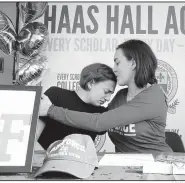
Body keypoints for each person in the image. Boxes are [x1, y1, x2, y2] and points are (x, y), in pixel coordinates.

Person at [39, 39, 173, 153]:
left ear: (133, 63)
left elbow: (99, 122)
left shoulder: (153, 98)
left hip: (157, 165)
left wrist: (51, 110)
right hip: (126, 168)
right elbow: (100, 117)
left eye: (117, 62)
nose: (114, 69)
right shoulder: (121, 96)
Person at [37, 63, 117, 150]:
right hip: (44, 162)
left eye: (111, 94)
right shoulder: (55, 95)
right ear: (91, 83)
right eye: (106, 92)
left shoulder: (101, 114)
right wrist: (48, 161)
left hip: (81, 163)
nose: (108, 98)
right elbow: (32, 139)